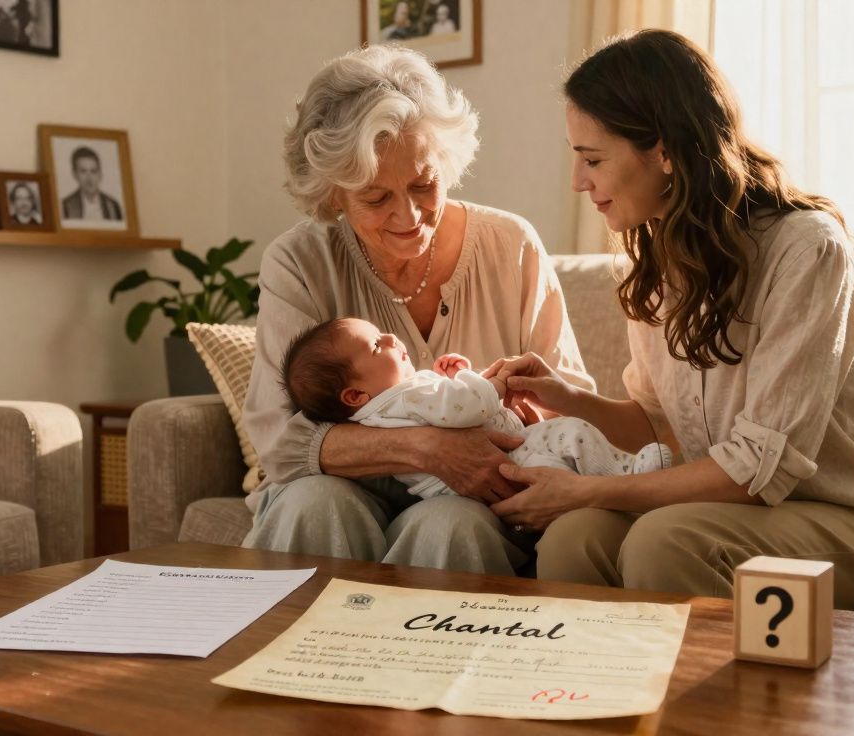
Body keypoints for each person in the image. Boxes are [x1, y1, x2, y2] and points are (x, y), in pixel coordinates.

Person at [484, 30, 854, 609]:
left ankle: (730, 704)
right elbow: (664, 425)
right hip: (749, 510)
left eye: (593, 159)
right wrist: (568, 399)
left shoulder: (805, 251)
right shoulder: (657, 258)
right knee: (574, 539)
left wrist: (585, 488)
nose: (578, 182)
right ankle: (594, 700)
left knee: (664, 542)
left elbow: (755, 471)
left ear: (663, 151)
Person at [241, 45, 592, 575]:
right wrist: (427, 448)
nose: (407, 216)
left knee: (454, 523)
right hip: (334, 489)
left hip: (477, 503)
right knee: (316, 504)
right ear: (334, 194)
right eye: (376, 198)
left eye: (424, 185)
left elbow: (571, 403)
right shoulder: (300, 262)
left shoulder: (511, 245)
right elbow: (280, 442)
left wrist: (521, 411)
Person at [281, 317, 670, 498]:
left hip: (492, 467)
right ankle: (627, 475)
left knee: (556, 465)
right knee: (571, 434)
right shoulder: (403, 397)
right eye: (375, 345)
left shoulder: (386, 408)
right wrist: (492, 384)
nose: (388, 336)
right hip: (504, 460)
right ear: (354, 396)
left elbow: (447, 406)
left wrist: (454, 377)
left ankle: (608, 491)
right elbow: (468, 409)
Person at [60, 147, 123, 221]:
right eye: (83, 171)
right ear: (75, 174)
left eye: (93, 171)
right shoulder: (66, 205)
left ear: (100, 174)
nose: (89, 178)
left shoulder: (112, 206)